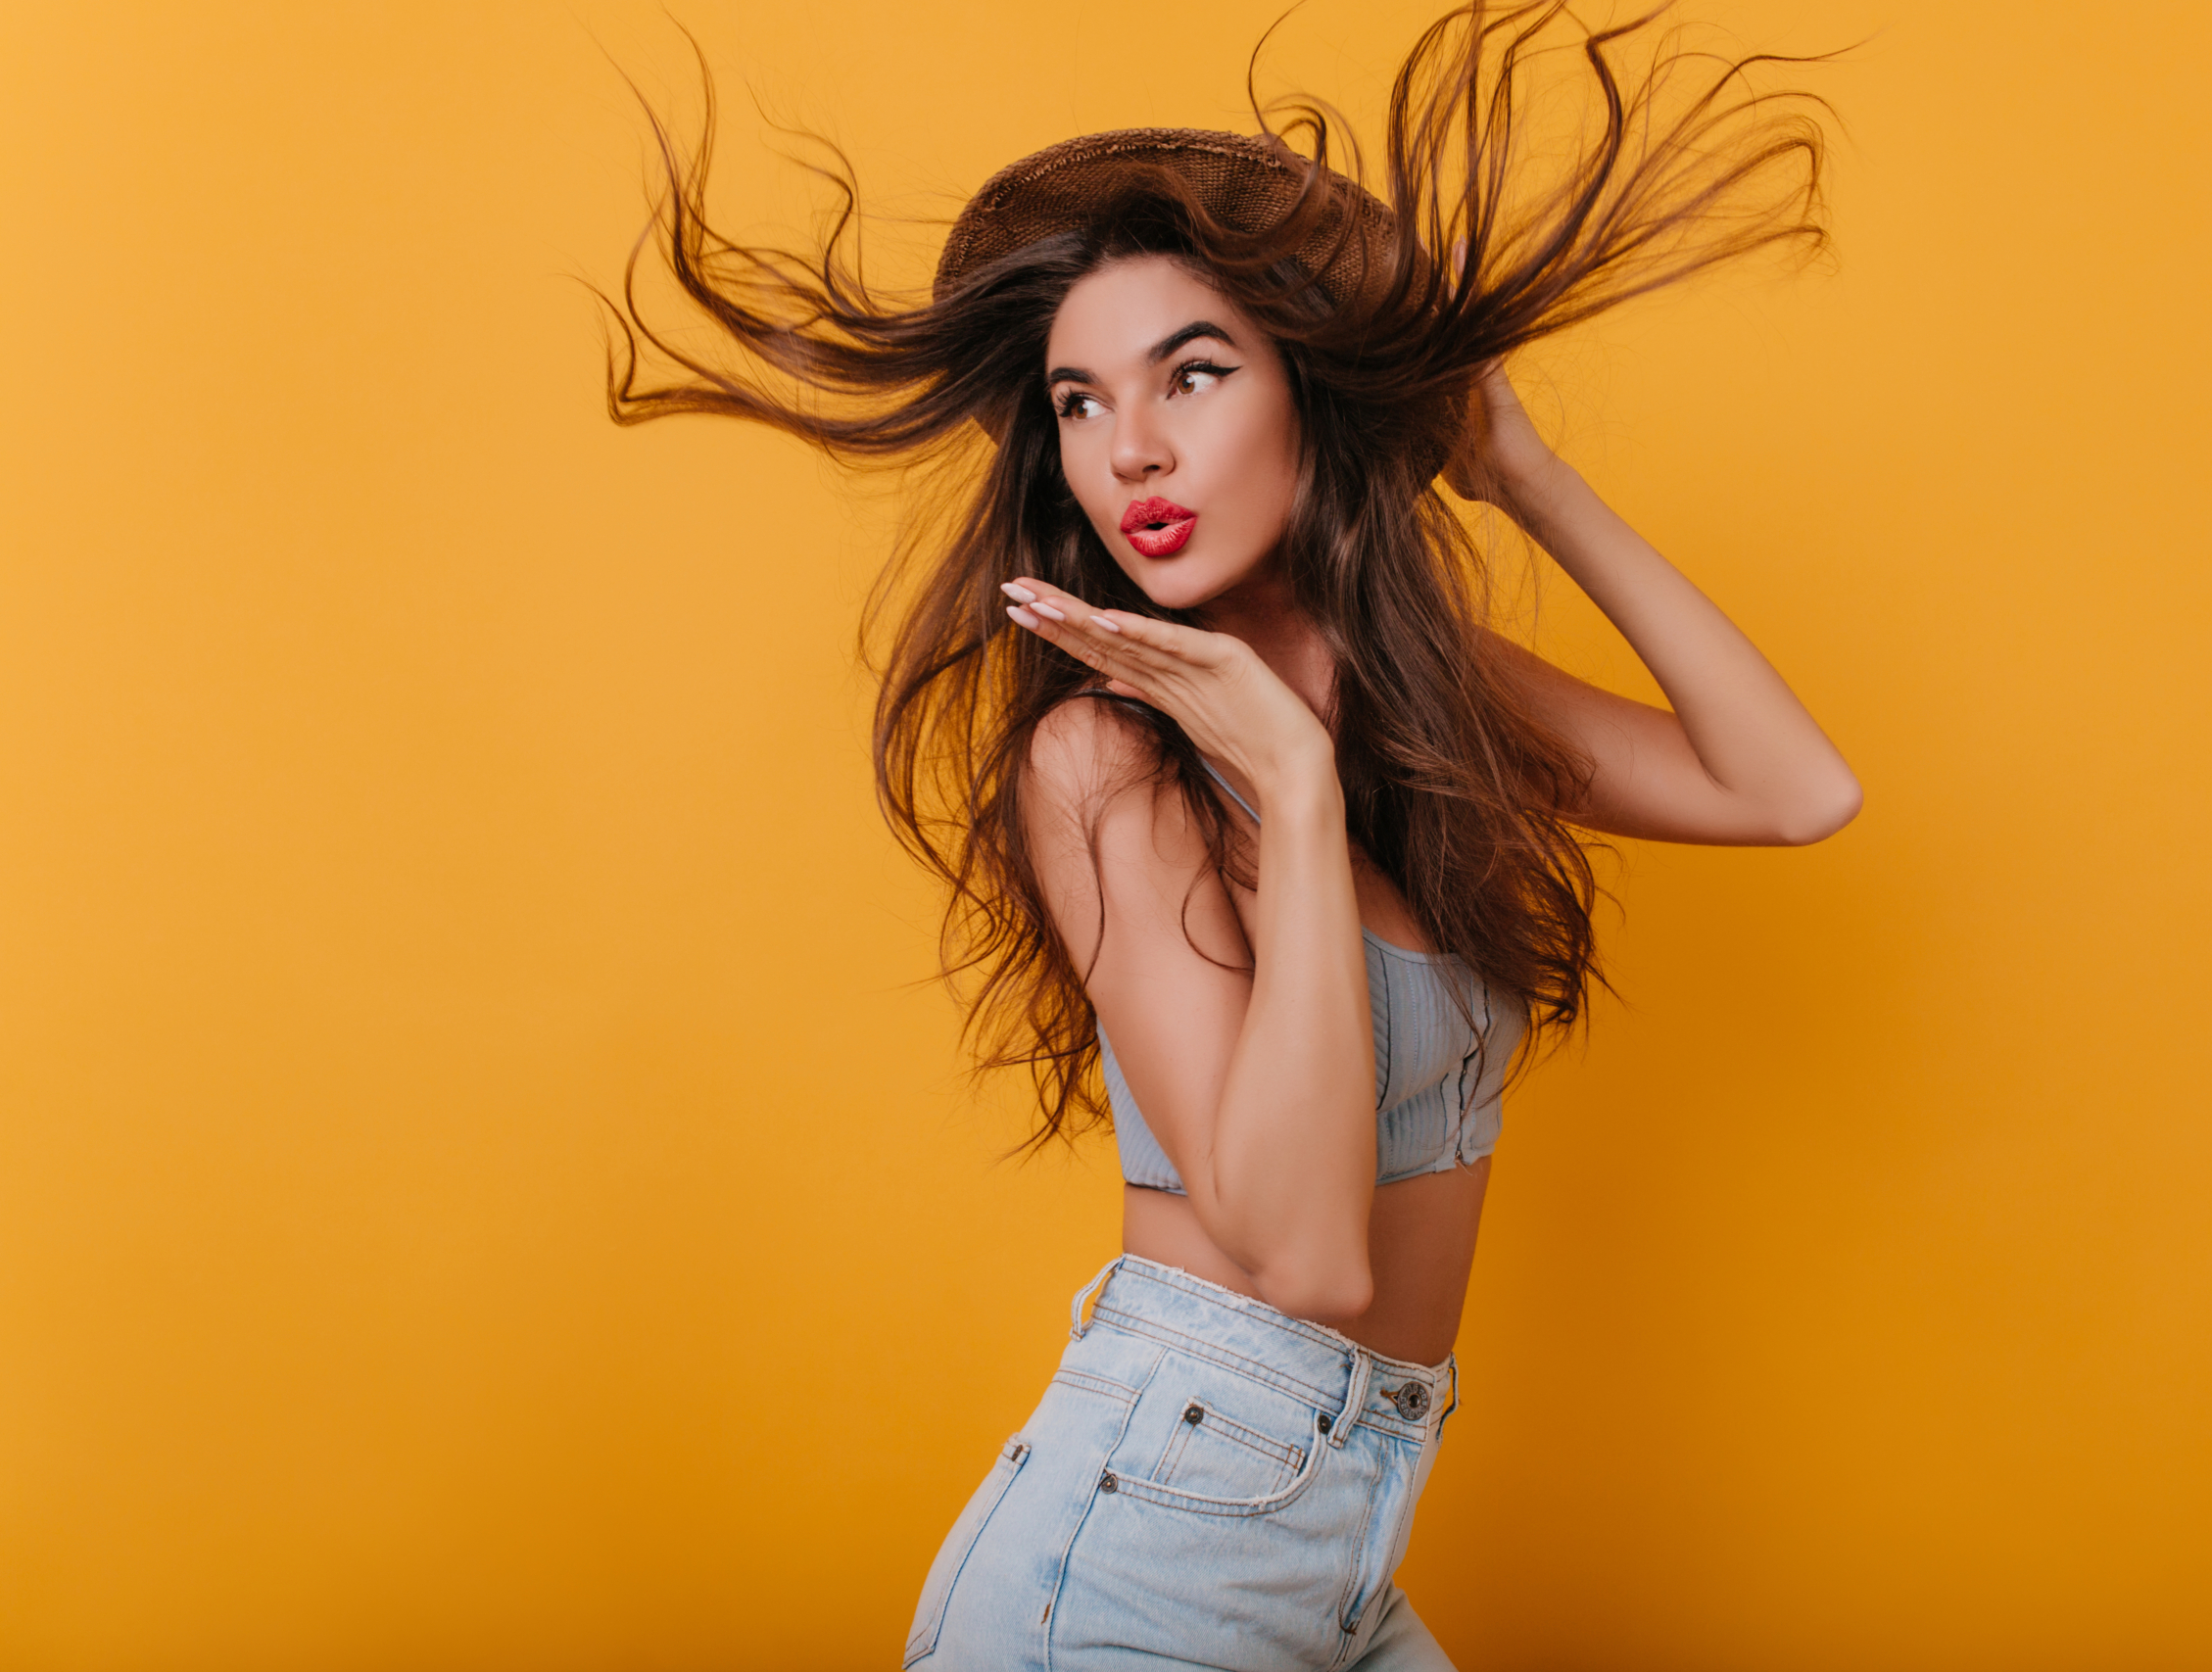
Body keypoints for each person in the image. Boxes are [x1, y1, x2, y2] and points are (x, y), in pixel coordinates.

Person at [600, 5, 1856, 1665]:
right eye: (1078, 401)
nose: (1131, 451)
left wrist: (1526, 476)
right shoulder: (1103, 758)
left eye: (1191, 374)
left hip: (1335, 1541)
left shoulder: (1414, 683)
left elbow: (1790, 791)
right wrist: (1294, 774)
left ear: (1306, 403)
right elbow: (1309, 1251)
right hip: (1144, 1558)